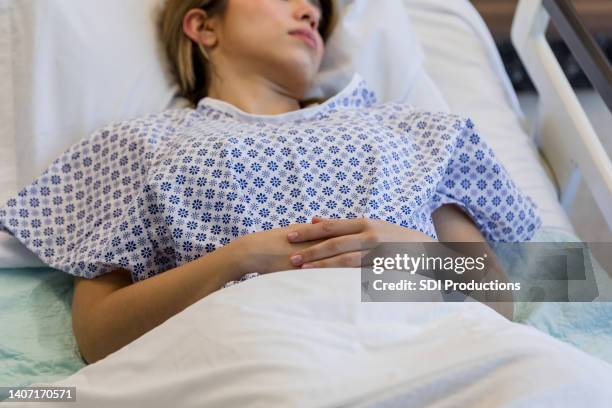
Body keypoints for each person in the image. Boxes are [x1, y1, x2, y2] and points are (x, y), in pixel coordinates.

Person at [0, 0, 541, 364]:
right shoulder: (135, 146)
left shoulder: (409, 128)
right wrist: (237, 260)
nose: (310, 10)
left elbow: (500, 301)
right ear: (203, 26)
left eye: (318, 9)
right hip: (245, 364)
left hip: (421, 356)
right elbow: (98, 338)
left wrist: (411, 254)